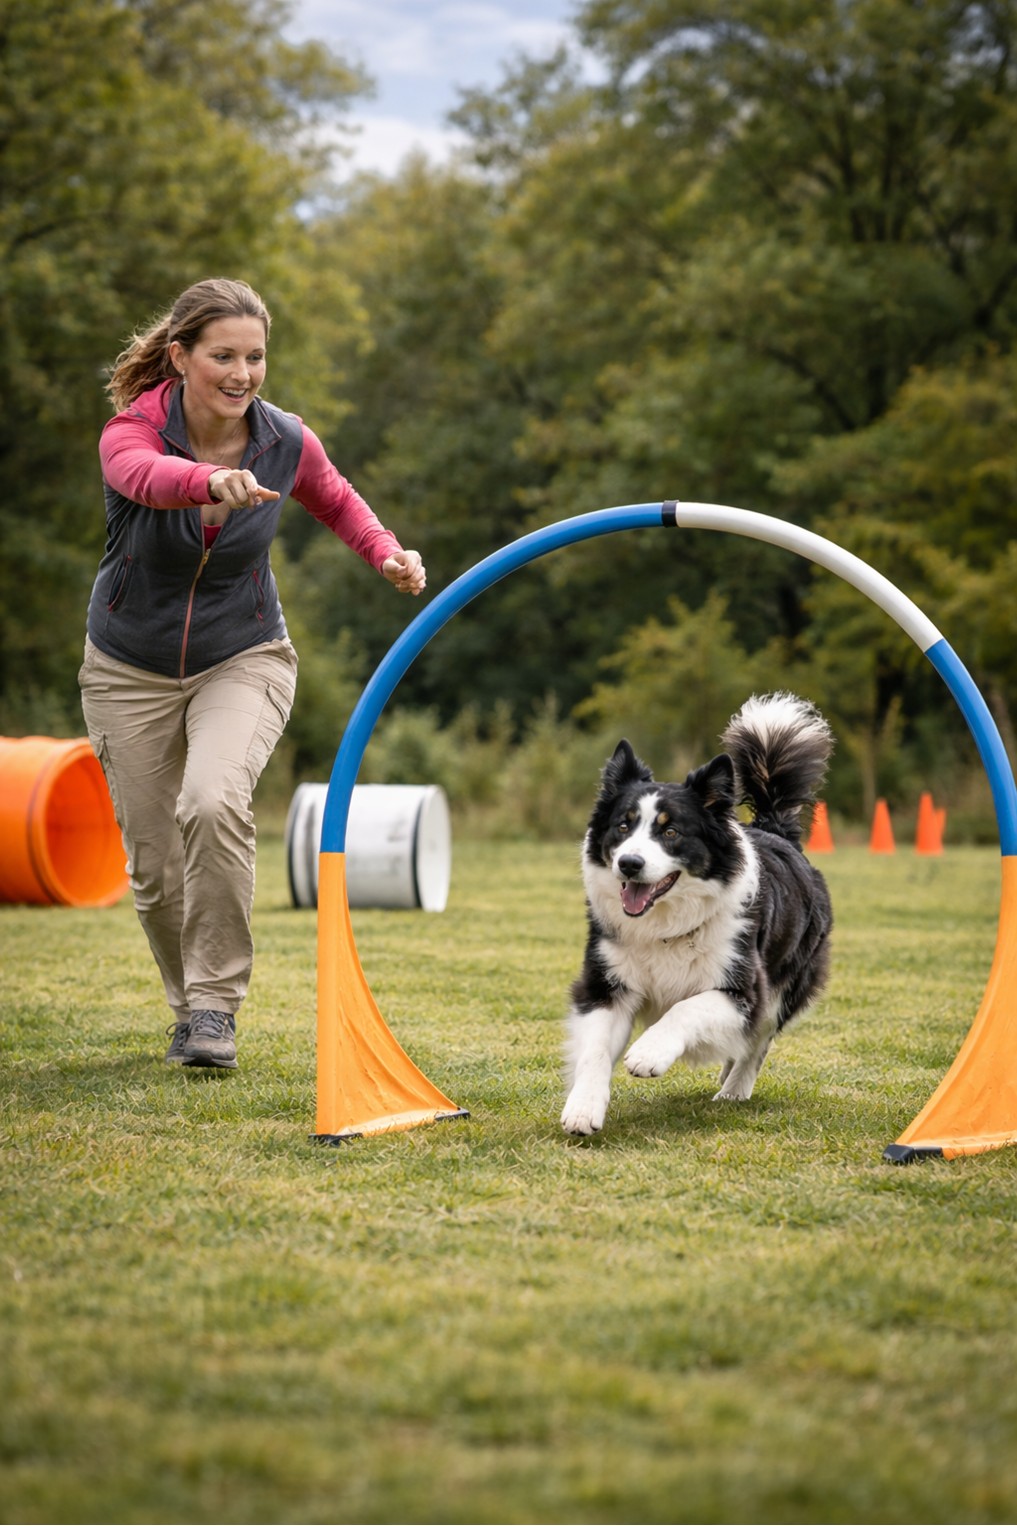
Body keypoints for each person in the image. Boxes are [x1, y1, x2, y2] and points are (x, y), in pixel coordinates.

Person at [79, 277, 426, 1072]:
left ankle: (214, 1010)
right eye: (223, 356)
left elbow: (337, 499)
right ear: (180, 357)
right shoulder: (129, 433)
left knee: (212, 799)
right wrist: (207, 481)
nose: (242, 373)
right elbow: (145, 479)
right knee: (155, 863)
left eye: (256, 357)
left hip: (244, 653)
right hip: (126, 667)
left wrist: (387, 553)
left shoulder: (283, 439)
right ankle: (187, 1008)